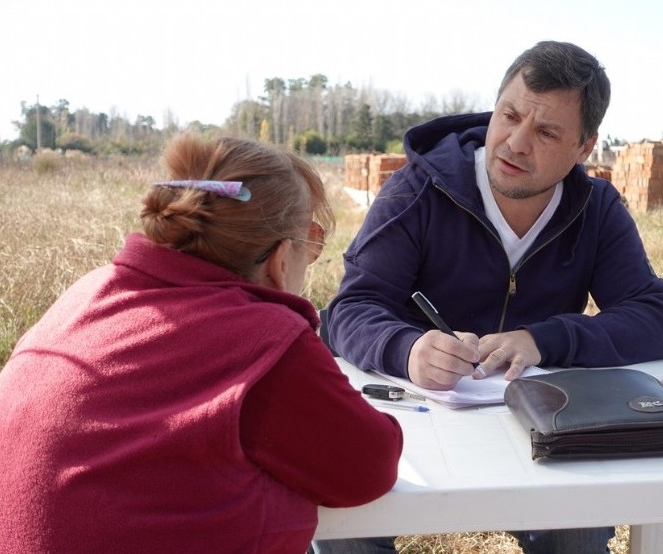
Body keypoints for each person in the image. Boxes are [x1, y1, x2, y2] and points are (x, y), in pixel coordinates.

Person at [316, 41, 663, 554]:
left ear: (584, 147)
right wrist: (408, 348)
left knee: (577, 527)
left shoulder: (595, 208)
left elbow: (652, 319)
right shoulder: (418, 189)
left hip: (537, 424)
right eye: (508, 115)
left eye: (547, 132)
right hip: (407, 415)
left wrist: (540, 339)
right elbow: (349, 309)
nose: (516, 142)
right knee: (346, 519)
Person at [0, 134, 403, 554]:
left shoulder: (88, 291)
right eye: (312, 242)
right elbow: (369, 468)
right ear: (281, 258)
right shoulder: (264, 337)